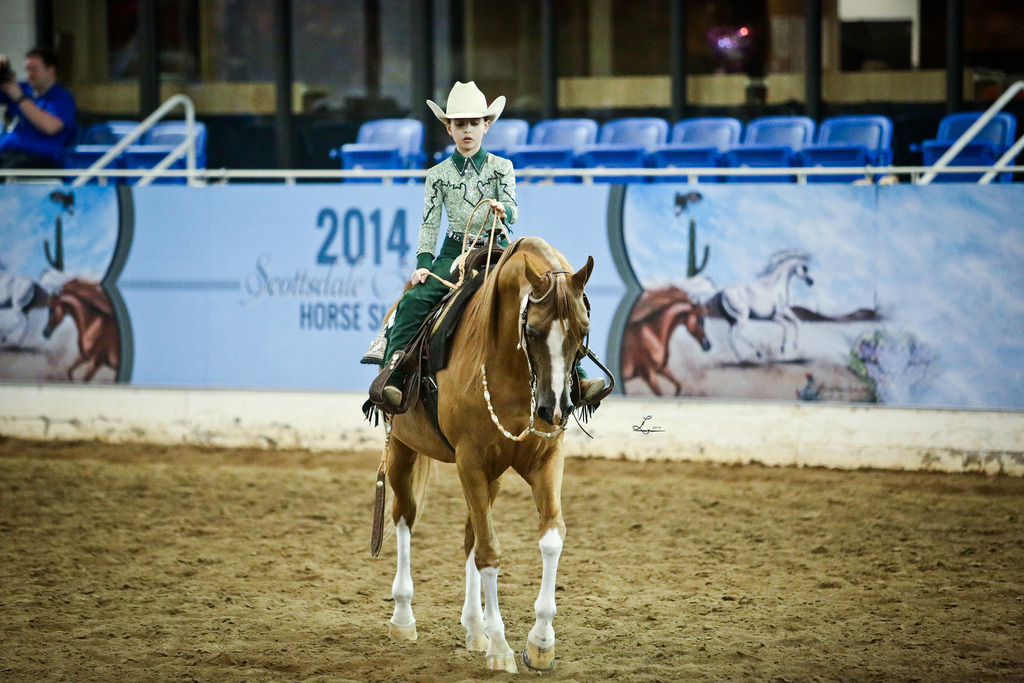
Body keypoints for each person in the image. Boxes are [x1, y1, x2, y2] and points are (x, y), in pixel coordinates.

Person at [377, 80, 604, 409]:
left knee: (550, 301)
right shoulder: (438, 174)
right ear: (448, 128)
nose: (467, 130)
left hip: (497, 250)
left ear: (486, 125)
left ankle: (576, 377)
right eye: (459, 124)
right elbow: (430, 222)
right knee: (414, 300)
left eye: (473, 123)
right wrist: (424, 263)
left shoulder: (502, 167)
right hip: (453, 253)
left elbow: (512, 208)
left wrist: (504, 210)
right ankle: (394, 374)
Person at [0, 47, 77, 169]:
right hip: (6, 154)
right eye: (28, 69)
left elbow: (51, 127)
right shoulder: (22, 88)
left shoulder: (62, 98)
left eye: (34, 70)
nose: (29, 75)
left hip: (37, 161)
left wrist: (21, 100)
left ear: (51, 70)